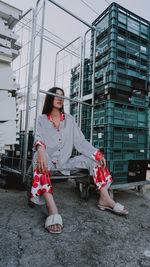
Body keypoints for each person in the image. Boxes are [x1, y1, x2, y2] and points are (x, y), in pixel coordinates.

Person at [30, 87, 128, 234]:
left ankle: (105, 198)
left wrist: (96, 153)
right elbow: (38, 137)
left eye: (62, 96)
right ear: (49, 98)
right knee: (39, 157)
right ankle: (52, 209)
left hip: (65, 163)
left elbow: (80, 142)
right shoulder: (41, 119)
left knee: (94, 159)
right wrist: (41, 150)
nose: (60, 98)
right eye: (56, 95)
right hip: (47, 161)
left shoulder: (69, 120)